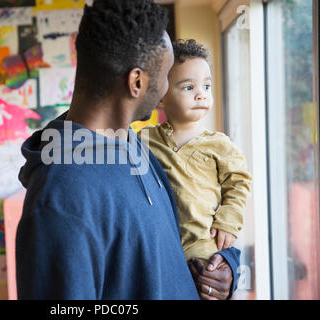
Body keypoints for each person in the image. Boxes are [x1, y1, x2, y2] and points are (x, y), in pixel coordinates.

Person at [16, 0, 240, 300]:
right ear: (136, 81)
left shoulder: (139, 148)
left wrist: (223, 269)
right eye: (166, 76)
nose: (164, 90)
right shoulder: (61, 198)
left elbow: (165, 252)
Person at [139, 39, 252, 266]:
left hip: (203, 244)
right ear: (161, 96)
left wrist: (228, 221)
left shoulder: (220, 145)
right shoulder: (145, 139)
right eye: (189, 87)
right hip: (160, 246)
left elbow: (239, 183)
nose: (201, 94)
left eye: (206, 87)